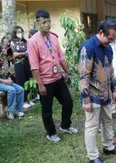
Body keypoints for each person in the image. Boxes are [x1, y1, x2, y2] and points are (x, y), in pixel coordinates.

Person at [78, 19, 116, 163]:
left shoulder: (108, 48)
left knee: (108, 121)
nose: (111, 42)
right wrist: (85, 100)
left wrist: (113, 90)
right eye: (110, 38)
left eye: (114, 39)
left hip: (106, 93)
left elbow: (110, 70)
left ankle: (108, 147)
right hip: (92, 95)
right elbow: (83, 75)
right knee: (92, 126)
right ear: (100, 33)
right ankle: (93, 157)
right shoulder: (88, 48)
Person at [28, 9, 78, 143]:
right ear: (37, 23)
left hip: (58, 79)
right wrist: (40, 85)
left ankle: (65, 125)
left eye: (47, 21)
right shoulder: (33, 41)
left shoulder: (54, 38)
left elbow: (61, 58)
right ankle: (51, 133)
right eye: (42, 22)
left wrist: (68, 72)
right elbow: (34, 66)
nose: (46, 24)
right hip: (45, 81)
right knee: (47, 110)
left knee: (68, 102)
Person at [0, 39, 25, 120]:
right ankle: (10, 110)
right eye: (5, 48)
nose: (7, 50)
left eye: (8, 48)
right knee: (11, 89)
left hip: (5, 80)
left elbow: (7, 72)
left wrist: (9, 78)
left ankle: (19, 110)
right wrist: (4, 81)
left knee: (20, 89)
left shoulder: (7, 60)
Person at [10, 26, 35, 108]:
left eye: (21, 32)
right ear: (14, 33)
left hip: (27, 62)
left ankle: (29, 99)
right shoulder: (12, 42)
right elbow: (14, 54)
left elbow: (29, 52)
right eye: (18, 32)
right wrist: (24, 53)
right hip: (18, 63)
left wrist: (20, 53)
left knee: (28, 79)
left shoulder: (25, 41)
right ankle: (23, 101)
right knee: (21, 80)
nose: (20, 33)